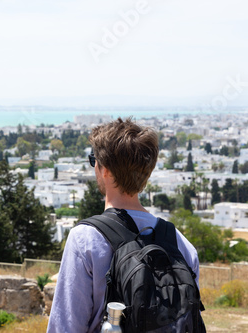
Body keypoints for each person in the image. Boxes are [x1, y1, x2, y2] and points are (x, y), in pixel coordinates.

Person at [47, 117, 200, 333]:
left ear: (105, 169)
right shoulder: (181, 245)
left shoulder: (85, 240)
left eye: (95, 160)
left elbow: (65, 327)